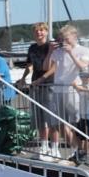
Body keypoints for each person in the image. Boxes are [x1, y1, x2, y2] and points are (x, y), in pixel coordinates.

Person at [40, 25, 89, 158]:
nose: (64, 41)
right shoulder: (58, 51)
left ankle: (84, 151)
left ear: (74, 36)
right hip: (58, 90)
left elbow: (83, 66)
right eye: (62, 39)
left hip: (74, 89)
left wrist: (70, 52)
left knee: (78, 122)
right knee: (60, 123)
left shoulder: (83, 50)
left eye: (66, 38)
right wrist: (50, 51)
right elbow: (46, 67)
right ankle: (76, 150)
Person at [23, 23, 53, 155]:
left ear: (46, 32)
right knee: (39, 117)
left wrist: (42, 78)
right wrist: (23, 78)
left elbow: (54, 66)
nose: (39, 33)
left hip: (48, 84)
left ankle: (54, 146)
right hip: (35, 84)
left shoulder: (50, 47)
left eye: (41, 30)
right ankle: (44, 145)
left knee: (49, 117)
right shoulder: (32, 48)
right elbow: (29, 65)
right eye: (36, 31)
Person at [72, 69, 89, 165]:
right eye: (82, 76)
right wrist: (78, 86)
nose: (84, 78)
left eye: (86, 76)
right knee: (79, 134)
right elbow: (76, 86)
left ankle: (88, 155)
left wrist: (82, 88)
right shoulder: (80, 84)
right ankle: (81, 152)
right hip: (82, 114)